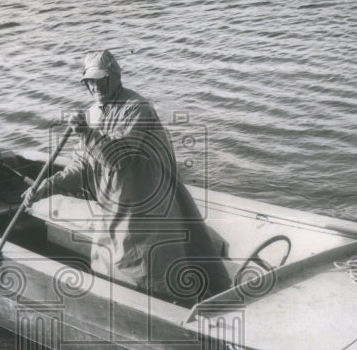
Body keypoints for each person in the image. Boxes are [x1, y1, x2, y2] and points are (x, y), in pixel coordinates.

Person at [23, 49, 232, 305]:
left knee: (155, 266)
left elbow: (118, 159)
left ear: (116, 77)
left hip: (148, 206)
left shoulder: (137, 109)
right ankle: (126, 308)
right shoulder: (91, 114)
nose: (97, 86)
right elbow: (82, 167)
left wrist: (86, 133)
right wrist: (46, 186)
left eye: (103, 79)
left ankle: (180, 311)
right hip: (114, 205)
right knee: (113, 263)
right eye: (91, 81)